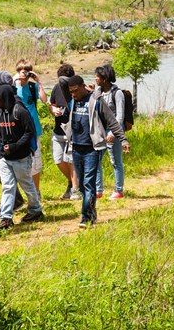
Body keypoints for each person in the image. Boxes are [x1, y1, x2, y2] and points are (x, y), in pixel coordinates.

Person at [66, 75, 129, 228]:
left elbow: (112, 121)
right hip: (76, 148)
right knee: (81, 185)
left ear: (82, 86)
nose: (73, 94)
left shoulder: (96, 101)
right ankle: (92, 214)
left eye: (75, 91)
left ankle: (85, 218)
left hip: (92, 149)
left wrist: (123, 139)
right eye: (71, 92)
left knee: (89, 183)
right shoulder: (73, 101)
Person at [0, 84, 43, 230]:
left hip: (21, 157)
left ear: (5, 98)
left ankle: (35, 209)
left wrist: (14, 146)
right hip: (5, 158)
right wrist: (2, 145)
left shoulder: (20, 111)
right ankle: (6, 218)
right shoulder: (0, 112)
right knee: (7, 186)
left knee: (27, 185)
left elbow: (29, 132)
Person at [0, 70, 24, 216]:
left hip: (4, 141)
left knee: (6, 173)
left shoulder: (11, 100)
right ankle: (17, 199)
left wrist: (0, 133)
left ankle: (9, 205)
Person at [13, 59, 46, 198]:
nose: (24, 75)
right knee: (18, 161)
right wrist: (12, 80)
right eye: (22, 71)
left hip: (33, 128)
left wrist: (39, 82)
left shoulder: (32, 87)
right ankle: (22, 194)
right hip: (18, 129)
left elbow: (44, 100)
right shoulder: (13, 86)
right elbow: (3, 97)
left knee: (35, 162)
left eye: (27, 72)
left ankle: (36, 192)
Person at [48, 63, 80, 200]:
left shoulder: (76, 90)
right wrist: (53, 110)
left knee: (71, 160)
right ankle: (72, 182)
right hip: (58, 130)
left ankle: (75, 189)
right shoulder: (56, 88)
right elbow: (52, 104)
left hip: (72, 131)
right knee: (58, 159)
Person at [94, 64, 126, 200]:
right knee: (96, 159)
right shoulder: (98, 91)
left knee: (115, 160)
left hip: (115, 130)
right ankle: (98, 190)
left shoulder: (117, 93)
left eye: (98, 76)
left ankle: (118, 190)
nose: (96, 79)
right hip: (100, 130)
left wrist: (113, 133)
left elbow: (120, 116)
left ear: (105, 78)